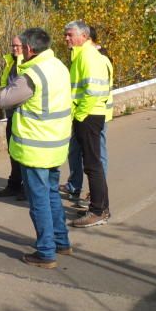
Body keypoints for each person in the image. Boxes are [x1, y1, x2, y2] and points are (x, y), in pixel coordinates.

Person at [0, 28, 73, 268]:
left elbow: (3, 99)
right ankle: (61, 242)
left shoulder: (31, 74)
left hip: (35, 148)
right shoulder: (59, 66)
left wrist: (16, 68)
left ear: (29, 49)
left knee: (39, 201)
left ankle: (46, 252)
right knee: (51, 195)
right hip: (56, 144)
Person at [62, 21, 113, 228]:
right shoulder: (83, 55)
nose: (66, 38)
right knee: (93, 164)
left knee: (92, 165)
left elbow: (94, 90)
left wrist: (80, 116)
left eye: (70, 34)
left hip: (89, 116)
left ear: (83, 36)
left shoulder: (88, 56)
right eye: (65, 34)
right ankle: (101, 207)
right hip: (89, 115)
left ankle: (97, 211)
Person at [0, 36, 25, 199]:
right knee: (13, 151)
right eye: (12, 45)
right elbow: (5, 84)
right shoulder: (10, 62)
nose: (14, 48)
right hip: (11, 114)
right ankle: (14, 184)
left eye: (18, 46)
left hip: (22, 114)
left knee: (22, 152)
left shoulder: (25, 63)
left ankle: (25, 187)